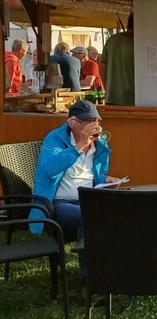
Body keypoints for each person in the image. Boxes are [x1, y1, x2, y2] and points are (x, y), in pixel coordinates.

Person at [29, 100, 120, 272]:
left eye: (96, 121)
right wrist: (79, 146)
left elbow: (93, 174)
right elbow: (50, 169)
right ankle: (92, 281)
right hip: (58, 202)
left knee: (119, 211)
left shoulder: (100, 144)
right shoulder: (54, 138)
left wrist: (105, 180)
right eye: (88, 121)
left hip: (89, 197)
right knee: (89, 216)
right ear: (72, 123)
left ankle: (116, 270)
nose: (94, 125)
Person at [100, 13, 135, 105]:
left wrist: (108, 89)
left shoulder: (112, 40)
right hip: (133, 98)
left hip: (112, 97)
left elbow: (102, 66)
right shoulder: (137, 42)